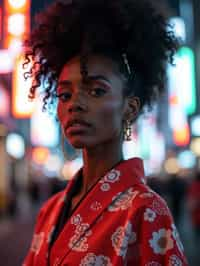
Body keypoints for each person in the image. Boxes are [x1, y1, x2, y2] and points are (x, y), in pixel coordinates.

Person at [23, 0, 188, 265]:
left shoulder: (146, 210)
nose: (75, 104)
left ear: (130, 108)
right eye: (65, 94)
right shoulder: (49, 210)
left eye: (97, 91)